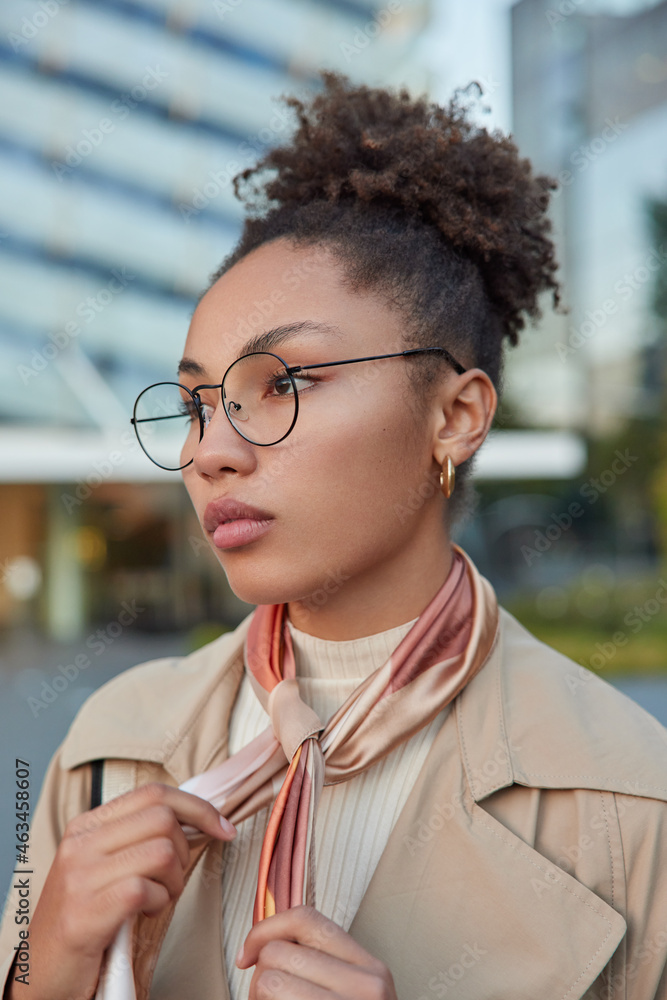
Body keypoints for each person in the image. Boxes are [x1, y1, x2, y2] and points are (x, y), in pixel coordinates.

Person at [2, 70, 667, 1000]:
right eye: (199, 402)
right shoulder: (107, 747)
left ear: (455, 416)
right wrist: (48, 965)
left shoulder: (632, 801)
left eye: (285, 382)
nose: (211, 451)